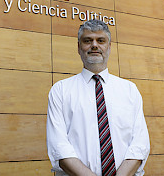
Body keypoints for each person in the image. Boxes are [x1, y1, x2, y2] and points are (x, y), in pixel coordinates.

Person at [47, 19, 150, 176]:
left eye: (100, 40)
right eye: (87, 40)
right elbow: (59, 147)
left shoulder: (130, 90)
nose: (94, 45)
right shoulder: (60, 91)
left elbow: (139, 144)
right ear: (78, 47)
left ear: (109, 47)